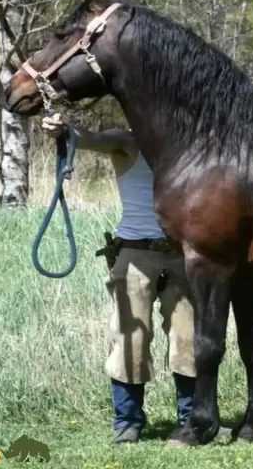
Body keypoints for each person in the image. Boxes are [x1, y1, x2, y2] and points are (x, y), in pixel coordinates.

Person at [41, 113, 196, 444]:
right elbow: (89, 139)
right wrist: (64, 129)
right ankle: (127, 421)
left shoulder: (187, 144)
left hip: (181, 256)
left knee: (188, 338)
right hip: (134, 254)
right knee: (130, 339)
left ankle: (192, 417)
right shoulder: (127, 141)